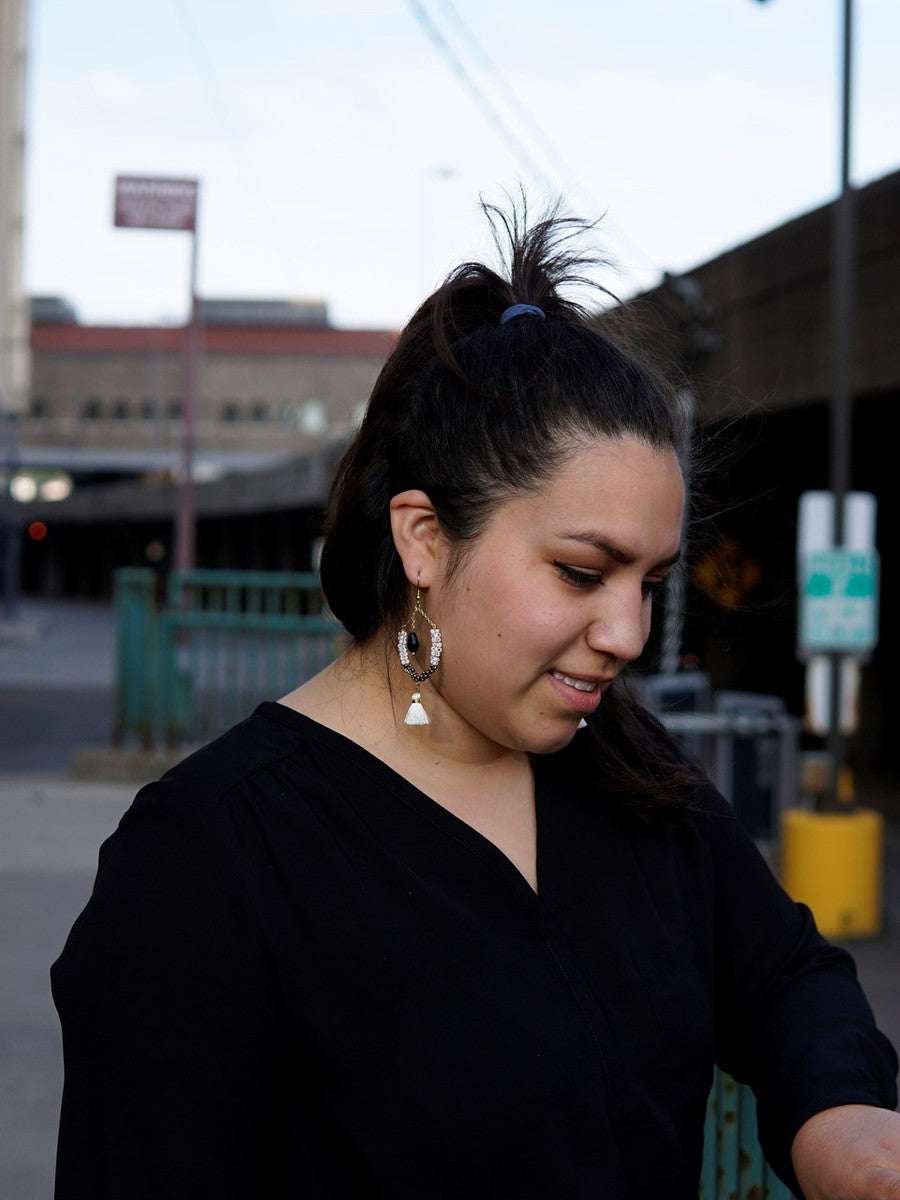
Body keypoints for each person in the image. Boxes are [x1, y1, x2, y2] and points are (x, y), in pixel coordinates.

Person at [52, 199, 899, 1200]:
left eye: (651, 584)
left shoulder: (625, 766)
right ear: (422, 538)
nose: (627, 634)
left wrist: (844, 1128)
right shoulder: (208, 858)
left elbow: (788, 975)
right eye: (585, 574)